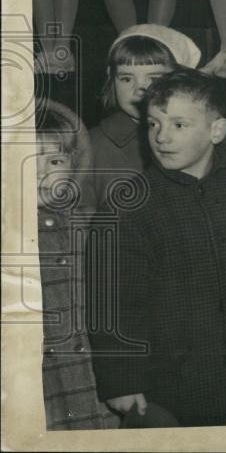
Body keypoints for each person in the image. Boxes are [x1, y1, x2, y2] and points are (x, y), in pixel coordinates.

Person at [89, 70, 226, 426]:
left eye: (179, 125)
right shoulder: (128, 206)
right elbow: (114, 299)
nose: (162, 137)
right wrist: (121, 380)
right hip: (172, 383)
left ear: (216, 130)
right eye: (153, 124)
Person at [35, 99, 119, 430]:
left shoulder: (91, 226)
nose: (42, 173)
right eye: (26, 161)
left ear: (74, 166)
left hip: (100, 385)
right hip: (46, 392)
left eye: (54, 160)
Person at [89, 25, 201, 213]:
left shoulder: (201, 136)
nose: (140, 89)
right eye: (126, 79)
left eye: (154, 78)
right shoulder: (92, 145)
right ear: (111, 79)